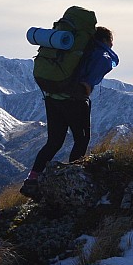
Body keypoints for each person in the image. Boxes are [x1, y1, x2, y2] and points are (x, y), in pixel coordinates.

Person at [21, 27, 118, 198]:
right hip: (75, 101)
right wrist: (86, 87)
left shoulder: (71, 51)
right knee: (81, 140)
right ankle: (72, 178)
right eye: (111, 41)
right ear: (105, 40)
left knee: (54, 142)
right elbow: (92, 79)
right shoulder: (99, 54)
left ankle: (32, 180)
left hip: (52, 98)